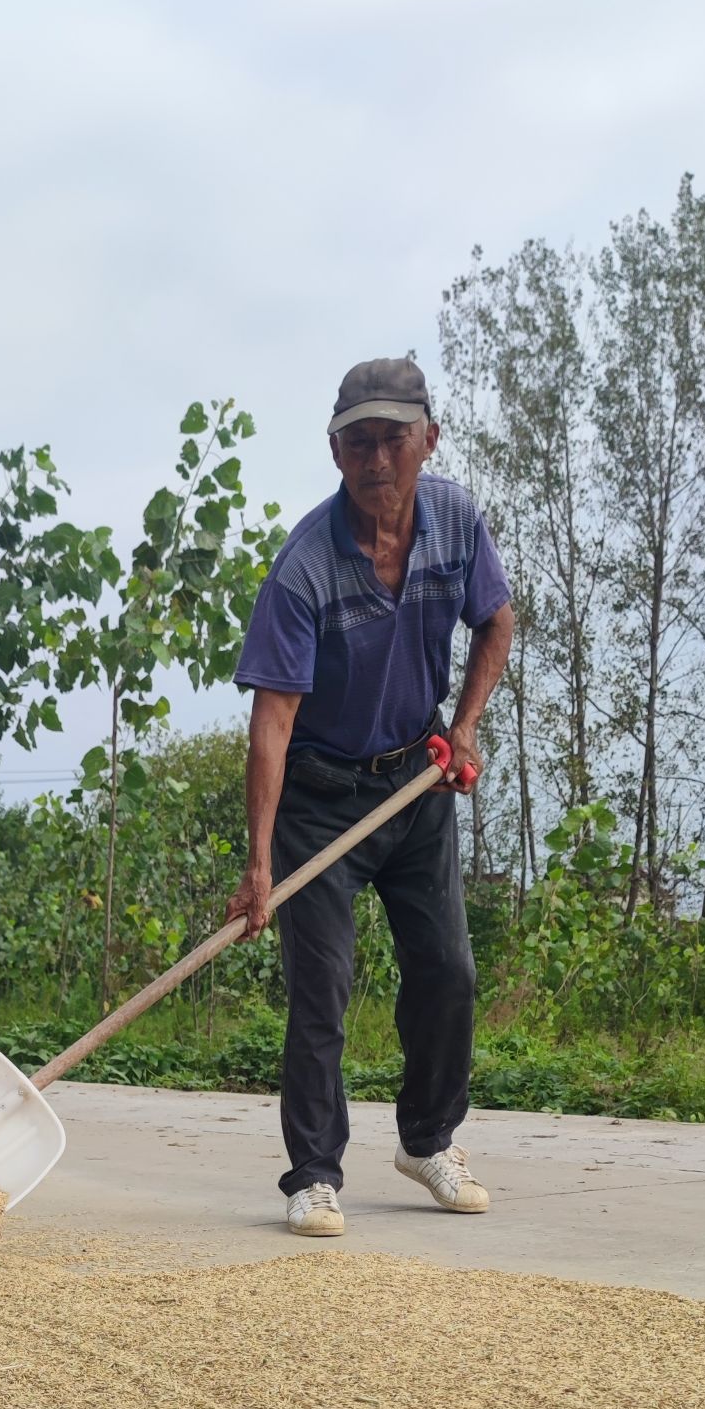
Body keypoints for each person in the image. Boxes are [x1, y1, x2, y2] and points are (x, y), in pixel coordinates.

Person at [229, 357, 514, 1237]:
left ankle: (428, 1139)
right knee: (323, 988)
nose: (378, 458)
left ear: (429, 439)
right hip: (321, 797)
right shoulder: (304, 569)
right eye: (360, 442)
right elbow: (272, 724)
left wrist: (464, 727)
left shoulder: (458, 520)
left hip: (416, 779)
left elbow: (496, 619)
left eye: (394, 438)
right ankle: (313, 1175)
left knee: (448, 971)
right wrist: (260, 862)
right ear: (335, 452)